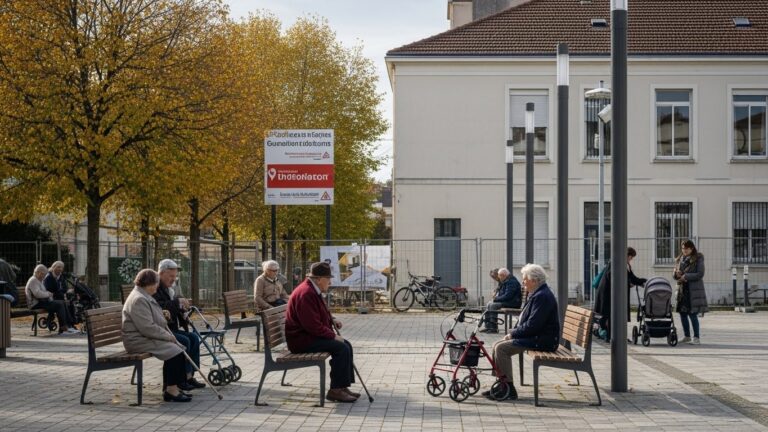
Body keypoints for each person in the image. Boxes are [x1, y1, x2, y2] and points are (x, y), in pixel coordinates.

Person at [285, 262, 359, 403]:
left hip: (307, 336)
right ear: (318, 279)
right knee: (341, 347)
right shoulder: (306, 293)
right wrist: (333, 335)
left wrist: (333, 319)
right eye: (328, 278)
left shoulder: (313, 290)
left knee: (346, 345)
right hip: (301, 340)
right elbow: (312, 326)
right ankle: (335, 390)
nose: (330, 282)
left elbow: (318, 313)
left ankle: (342, 386)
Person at [484, 263, 559, 401]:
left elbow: (533, 325)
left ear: (534, 280)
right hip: (538, 336)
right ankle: (502, 385)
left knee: (501, 348)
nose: (523, 282)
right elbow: (530, 323)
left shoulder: (542, 296)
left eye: (525, 279)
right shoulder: (538, 293)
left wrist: (513, 333)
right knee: (497, 345)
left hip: (543, 340)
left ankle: (509, 390)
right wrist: (514, 332)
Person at [122, 268, 191, 402]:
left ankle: (172, 387)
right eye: (156, 283)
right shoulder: (139, 299)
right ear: (149, 283)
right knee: (175, 350)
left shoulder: (143, 295)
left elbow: (151, 318)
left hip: (143, 337)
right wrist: (168, 336)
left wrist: (163, 315)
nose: (157, 286)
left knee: (177, 347)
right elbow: (147, 328)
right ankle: (171, 390)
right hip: (137, 340)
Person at [153, 259, 205, 391]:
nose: (173, 279)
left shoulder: (169, 288)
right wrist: (177, 303)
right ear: (161, 273)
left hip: (170, 328)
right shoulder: (154, 287)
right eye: (171, 276)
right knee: (184, 341)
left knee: (193, 337)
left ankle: (188, 376)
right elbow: (159, 307)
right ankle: (179, 380)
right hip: (162, 330)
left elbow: (172, 306)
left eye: (175, 276)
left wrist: (183, 309)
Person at [593, 247, 648, 341]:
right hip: (608, 294)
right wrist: (627, 282)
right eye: (631, 257)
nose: (631, 259)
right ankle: (609, 336)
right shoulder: (616, 263)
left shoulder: (624, 265)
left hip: (612, 295)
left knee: (613, 315)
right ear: (628, 256)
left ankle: (613, 336)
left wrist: (643, 281)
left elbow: (632, 278)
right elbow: (613, 277)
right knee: (611, 315)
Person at [25, 264, 79, 334]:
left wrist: (48, 295)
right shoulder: (33, 280)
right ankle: (64, 328)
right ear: (38, 272)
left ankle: (69, 325)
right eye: (43, 274)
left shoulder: (38, 280)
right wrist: (48, 294)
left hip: (41, 302)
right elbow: (37, 294)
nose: (44, 276)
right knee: (59, 304)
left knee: (62, 302)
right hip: (35, 304)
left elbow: (43, 292)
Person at [673, 239, 708, 345]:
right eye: (683, 248)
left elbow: (700, 273)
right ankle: (687, 336)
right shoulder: (680, 259)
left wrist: (686, 276)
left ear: (691, 248)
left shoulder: (698, 258)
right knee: (682, 313)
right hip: (682, 289)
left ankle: (696, 337)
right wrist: (676, 274)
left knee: (692, 314)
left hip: (693, 290)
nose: (684, 251)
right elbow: (675, 275)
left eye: (686, 249)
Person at [481, 267, 522, 333]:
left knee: (493, 305)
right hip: (508, 302)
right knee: (489, 304)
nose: (499, 279)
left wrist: (496, 299)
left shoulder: (512, 282)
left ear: (503, 275)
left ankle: (493, 328)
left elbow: (508, 296)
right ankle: (488, 326)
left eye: (499, 276)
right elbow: (502, 293)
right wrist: (496, 296)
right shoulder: (506, 280)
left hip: (513, 303)